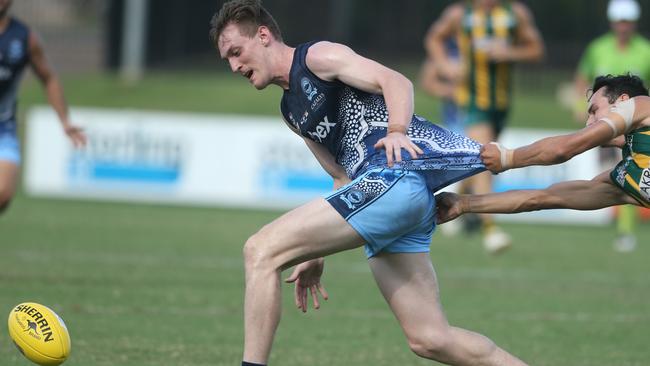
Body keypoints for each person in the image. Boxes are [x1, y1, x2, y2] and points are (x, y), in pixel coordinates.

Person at [210, 1, 528, 365]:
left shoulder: (317, 57)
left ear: (263, 36)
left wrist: (396, 131)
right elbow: (341, 178)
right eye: (227, 60)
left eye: (237, 52)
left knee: (260, 250)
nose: (234, 66)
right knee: (430, 339)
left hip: (392, 181)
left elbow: (395, 81)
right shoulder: (290, 110)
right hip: (385, 197)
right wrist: (316, 251)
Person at [435, 74, 650, 229]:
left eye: (594, 111)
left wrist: (508, 158)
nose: (588, 122)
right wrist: (464, 203)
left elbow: (564, 149)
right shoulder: (625, 180)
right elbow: (539, 198)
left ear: (623, 101)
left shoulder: (641, 105)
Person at [426, 0, 544, 253]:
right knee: (485, 153)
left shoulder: (515, 13)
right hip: (472, 101)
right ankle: (490, 228)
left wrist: (509, 52)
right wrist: (445, 65)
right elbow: (434, 38)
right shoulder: (460, 14)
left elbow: (536, 49)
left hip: (501, 103)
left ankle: (446, 203)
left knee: (482, 163)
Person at [573, 0, 650, 252]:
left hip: (636, 127)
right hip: (603, 126)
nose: (623, 26)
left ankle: (625, 231)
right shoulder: (598, 48)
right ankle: (621, 225)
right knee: (612, 172)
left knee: (629, 171)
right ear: (612, 22)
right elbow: (582, 77)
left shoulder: (645, 50)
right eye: (619, 21)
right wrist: (580, 106)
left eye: (627, 21)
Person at [0, 0, 86, 215]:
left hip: (4, 128)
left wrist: (64, 121)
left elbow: (48, 78)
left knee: (3, 193)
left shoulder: (24, 37)